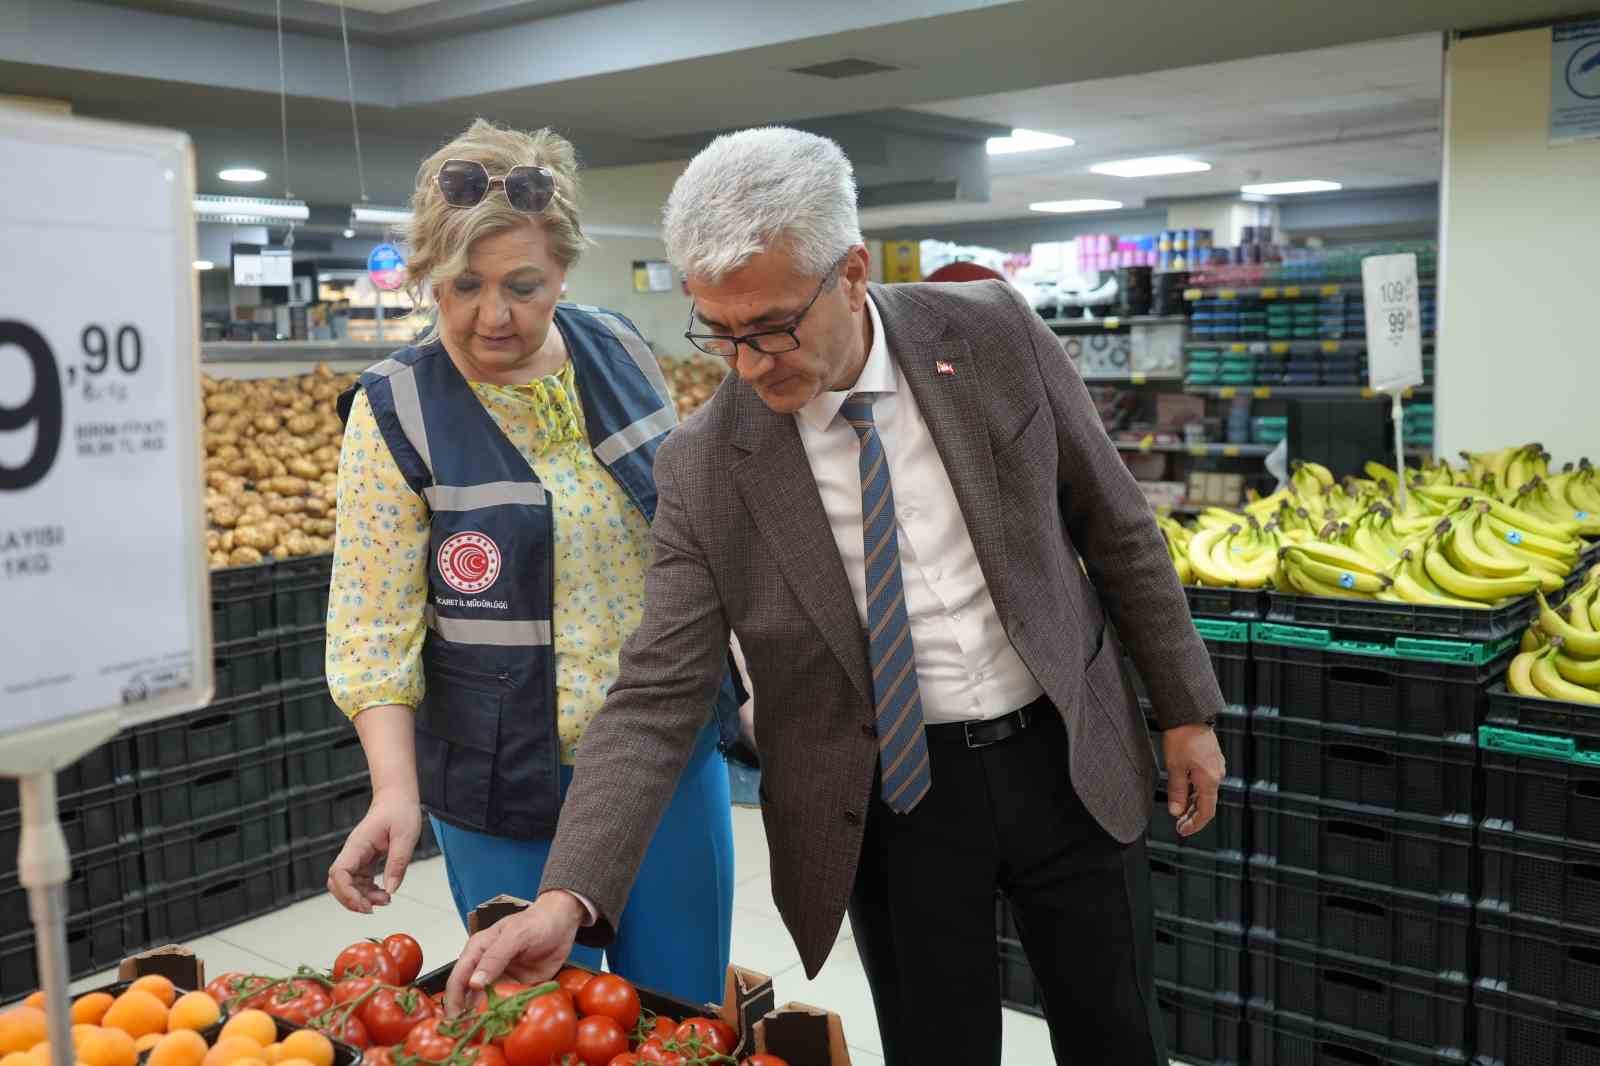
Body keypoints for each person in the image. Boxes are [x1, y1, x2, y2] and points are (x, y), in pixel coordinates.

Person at [444, 126, 1227, 1065]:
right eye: (721, 333)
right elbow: (656, 693)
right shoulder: (705, 465)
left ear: (852, 272)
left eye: (774, 327)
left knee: (1117, 1030)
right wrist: (566, 897)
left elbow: (1117, 525)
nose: (751, 362)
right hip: (891, 800)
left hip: (1063, 748)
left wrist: (1185, 710)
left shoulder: (991, 335)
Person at [321, 118, 746, 1007]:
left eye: (524, 285)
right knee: (534, 1018)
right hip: (495, 773)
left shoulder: (621, 350)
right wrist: (394, 790)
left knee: (680, 1008)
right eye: (462, 286)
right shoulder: (394, 409)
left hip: (661, 754)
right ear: (427, 279)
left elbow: (690, 536)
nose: (494, 315)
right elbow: (372, 627)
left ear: (563, 269)